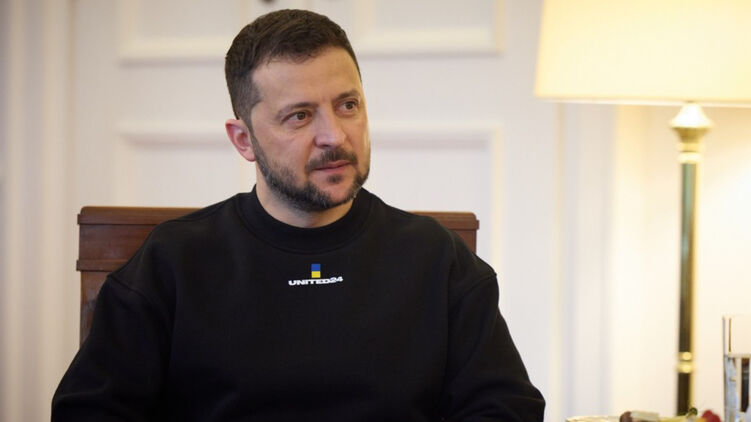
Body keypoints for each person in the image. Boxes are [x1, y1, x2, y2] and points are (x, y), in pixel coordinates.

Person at [52, 9, 545, 421]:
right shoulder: (171, 263)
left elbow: (506, 409)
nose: (334, 136)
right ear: (243, 139)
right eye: (300, 116)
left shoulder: (437, 258)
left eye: (347, 105)